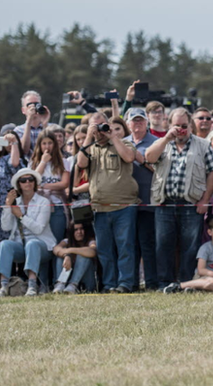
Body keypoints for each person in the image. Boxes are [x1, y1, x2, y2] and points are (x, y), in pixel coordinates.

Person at [146, 108, 213, 288]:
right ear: (169, 125)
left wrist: (205, 200)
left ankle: (187, 283)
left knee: (189, 247)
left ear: (190, 126)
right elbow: (149, 158)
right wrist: (166, 138)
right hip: (164, 203)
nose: (180, 129)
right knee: (163, 245)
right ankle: (164, 283)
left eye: (184, 126)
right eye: (176, 125)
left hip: (191, 204)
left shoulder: (203, 145)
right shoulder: (162, 143)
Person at [77, 112, 140, 293]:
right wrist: (89, 136)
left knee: (125, 247)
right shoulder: (90, 147)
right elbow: (81, 163)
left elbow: (129, 157)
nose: (100, 130)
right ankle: (109, 283)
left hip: (124, 206)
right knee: (104, 249)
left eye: (103, 125)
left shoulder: (123, 142)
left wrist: (112, 136)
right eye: (96, 126)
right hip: (99, 207)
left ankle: (125, 283)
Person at [0, 168, 56, 297]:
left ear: (34, 182)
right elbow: (5, 227)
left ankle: (32, 286)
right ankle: (4, 286)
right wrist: (7, 206)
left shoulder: (43, 202)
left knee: (32, 243)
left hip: (42, 246)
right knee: (4, 244)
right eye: (23, 180)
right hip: (20, 245)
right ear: (19, 185)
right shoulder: (16, 202)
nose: (27, 182)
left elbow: (39, 229)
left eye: (30, 179)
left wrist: (21, 216)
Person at [124, 107, 159, 291]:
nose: (137, 123)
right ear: (128, 124)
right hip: (126, 203)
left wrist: (142, 159)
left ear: (146, 123)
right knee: (131, 246)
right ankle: (132, 283)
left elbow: (161, 171)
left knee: (148, 244)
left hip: (148, 201)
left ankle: (152, 283)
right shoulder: (122, 143)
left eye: (141, 120)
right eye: (134, 120)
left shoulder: (156, 142)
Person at [29, 131, 70, 286]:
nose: (47, 147)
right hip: (38, 209)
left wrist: (44, 186)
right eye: (44, 143)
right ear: (39, 145)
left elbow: (64, 183)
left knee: (57, 244)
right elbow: (32, 180)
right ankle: (42, 282)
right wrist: (43, 162)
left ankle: (58, 280)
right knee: (42, 244)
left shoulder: (63, 162)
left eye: (50, 143)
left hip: (57, 208)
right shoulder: (34, 162)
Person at [162, 216, 213, 293]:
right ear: (210, 232)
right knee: (212, 282)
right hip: (204, 278)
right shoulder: (205, 248)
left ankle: (201, 290)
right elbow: (201, 270)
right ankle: (179, 286)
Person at [52, 221, 98, 294]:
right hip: (67, 279)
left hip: (86, 282)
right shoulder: (67, 241)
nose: (79, 232)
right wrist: (67, 256)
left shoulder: (90, 241)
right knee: (60, 257)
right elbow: (56, 249)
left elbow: (92, 251)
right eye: (76, 230)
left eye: (81, 229)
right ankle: (60, 284)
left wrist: (70, 250)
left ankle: (73, 285)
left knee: (83, 255)